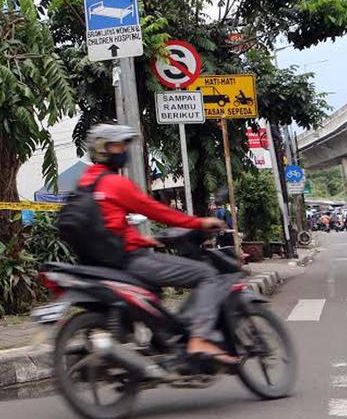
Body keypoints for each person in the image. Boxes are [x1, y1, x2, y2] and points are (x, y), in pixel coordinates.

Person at [81, 124, 234, 363]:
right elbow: (155, 210)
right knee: (207, 274)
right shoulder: (114, 183)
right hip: (131, 261)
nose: (124, 151)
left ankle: (162, 345)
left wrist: (145, 239)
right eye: (119, 145)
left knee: (156, 293)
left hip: (105, 260)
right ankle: (199, 339)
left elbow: (108, 227)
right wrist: (198, 222)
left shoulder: (86, 183)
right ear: (103, 149)